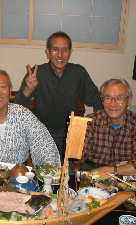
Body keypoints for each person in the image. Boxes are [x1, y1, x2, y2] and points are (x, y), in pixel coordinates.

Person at [15, 31, 103, 159]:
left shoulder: (78, 72)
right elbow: (18, 105)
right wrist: (28, 90)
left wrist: (102, 124)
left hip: (69, 132)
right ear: (48, 52)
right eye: (55, 49)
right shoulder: (37, 73)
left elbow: (96, 99)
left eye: (64, 50)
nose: (60, 55)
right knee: (45, 171)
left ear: (70, 52)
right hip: (41, 131)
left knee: (68, 172)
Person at [74, 78, 136, 177]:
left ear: (129, 100)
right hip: (91, 171)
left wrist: (108, 170)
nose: (113, 103)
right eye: (108, 98)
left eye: (119, 98)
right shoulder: (90, 121)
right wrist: (74, 142)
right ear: (102, 100)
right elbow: (78, 160)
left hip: (122, 175)